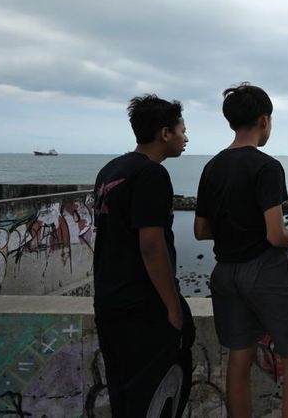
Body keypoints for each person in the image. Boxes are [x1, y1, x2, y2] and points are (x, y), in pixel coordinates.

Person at [194, 83, 288, 418]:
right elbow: (276, 234)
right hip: (265, 270)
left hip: (225, 273)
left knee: (238, 360)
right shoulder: (267, 167)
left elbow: (201, 230)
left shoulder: (212, 167)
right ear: (264, 121)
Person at [92, 95, 195, 417]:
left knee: (123, 393)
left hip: (110, 299)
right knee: (156, 395)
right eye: (182, 129)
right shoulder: (151, 175)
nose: (186, 137)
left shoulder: (111, 170)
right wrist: (172, 305)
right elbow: (150, 244)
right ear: (165, 133)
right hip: (143, 305)